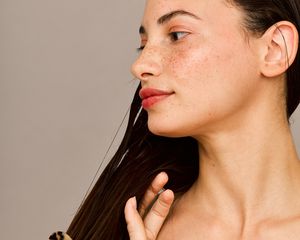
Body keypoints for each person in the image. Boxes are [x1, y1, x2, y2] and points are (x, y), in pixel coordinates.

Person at [50, 0, 300, 239]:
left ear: (273, 50)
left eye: (177, 35)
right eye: (143, 44)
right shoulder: (130, 226)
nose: (139, 66)